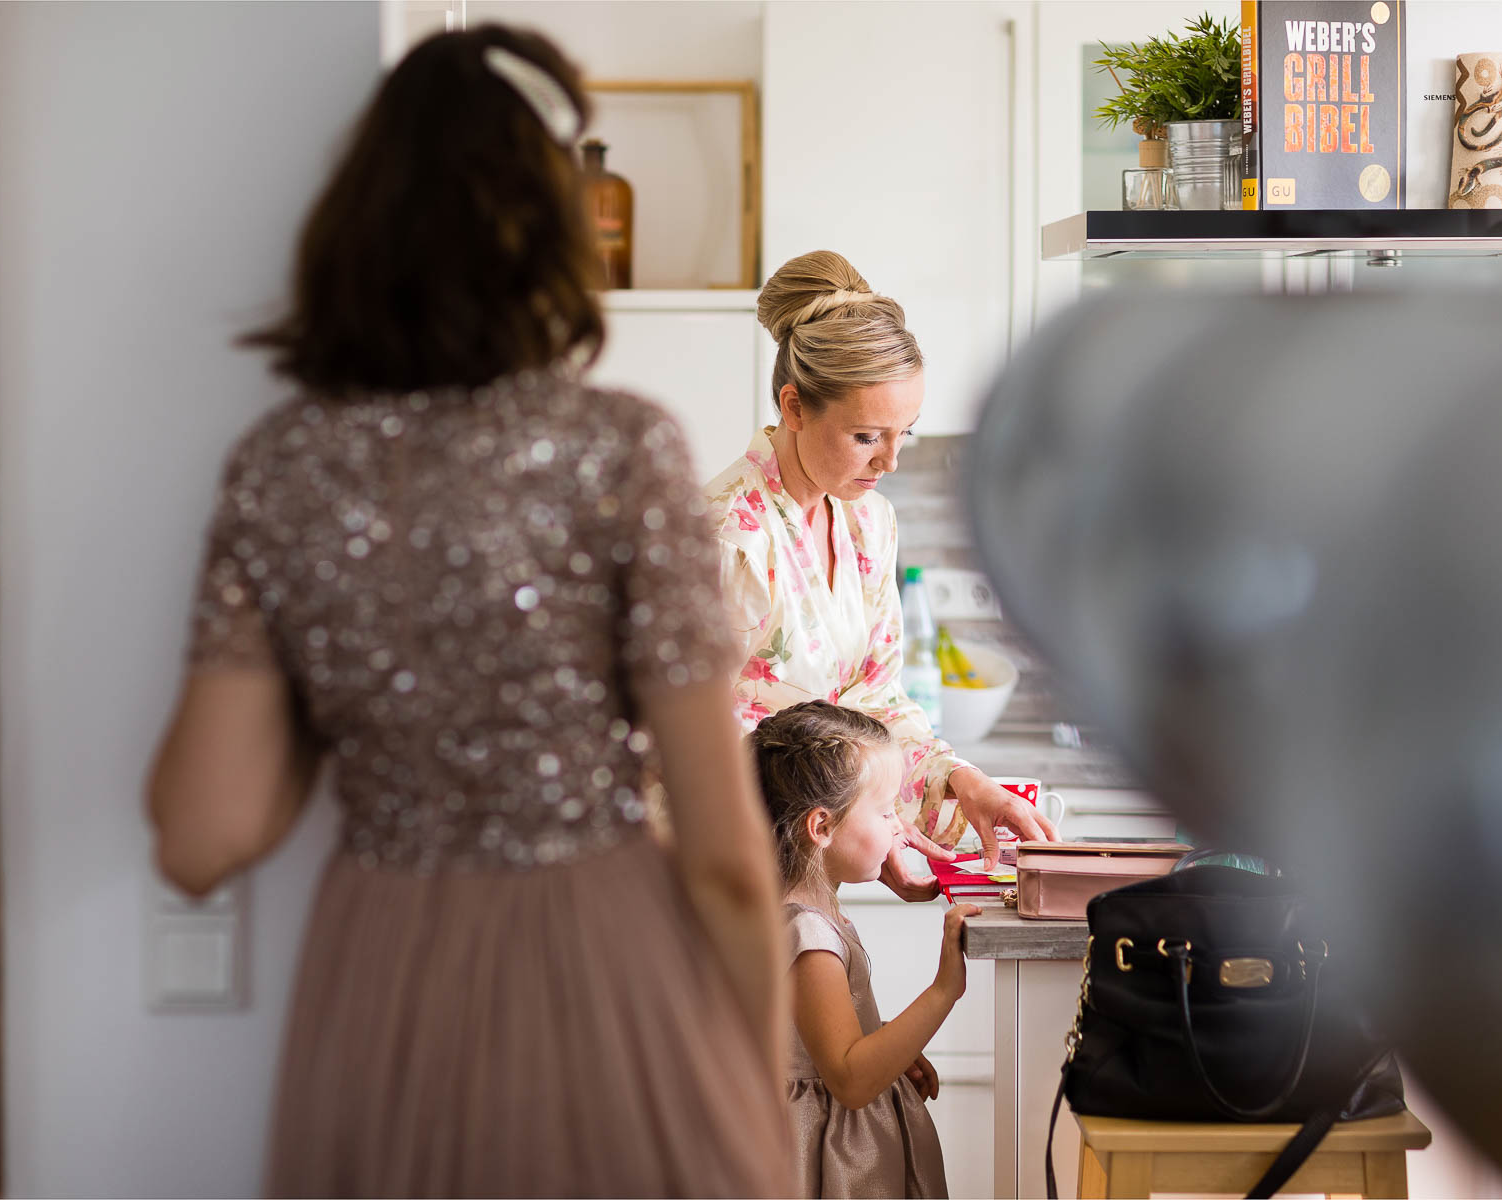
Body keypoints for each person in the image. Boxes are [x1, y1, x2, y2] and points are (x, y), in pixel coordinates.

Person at [145, 25, 790, 1197]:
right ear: (554, 228)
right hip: (605, 969)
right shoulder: (621, 450)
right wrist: (757, 1088)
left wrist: (343, 698)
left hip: (381, 975)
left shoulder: (281, 469)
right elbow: (729, 860)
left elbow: (200, 835)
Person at [706, 250, 1057, 900]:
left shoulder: (869, 524)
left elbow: (874, 702)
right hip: (719, 878)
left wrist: (960, 784)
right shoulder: (726, 537)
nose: (891, 461)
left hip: (805, 872)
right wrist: (856, 821)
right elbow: (678, 733)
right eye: (868, 436)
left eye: (906, 434)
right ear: (795, 406)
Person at [750, 701, 982, 1198]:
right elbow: (852, 1080)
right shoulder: (808, 936)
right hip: (830, 1163)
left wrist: (887, 1045)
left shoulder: (813, 911)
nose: (899, 826)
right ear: (822, 827)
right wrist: (944, 991)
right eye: (883, 811)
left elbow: (827, 1041)